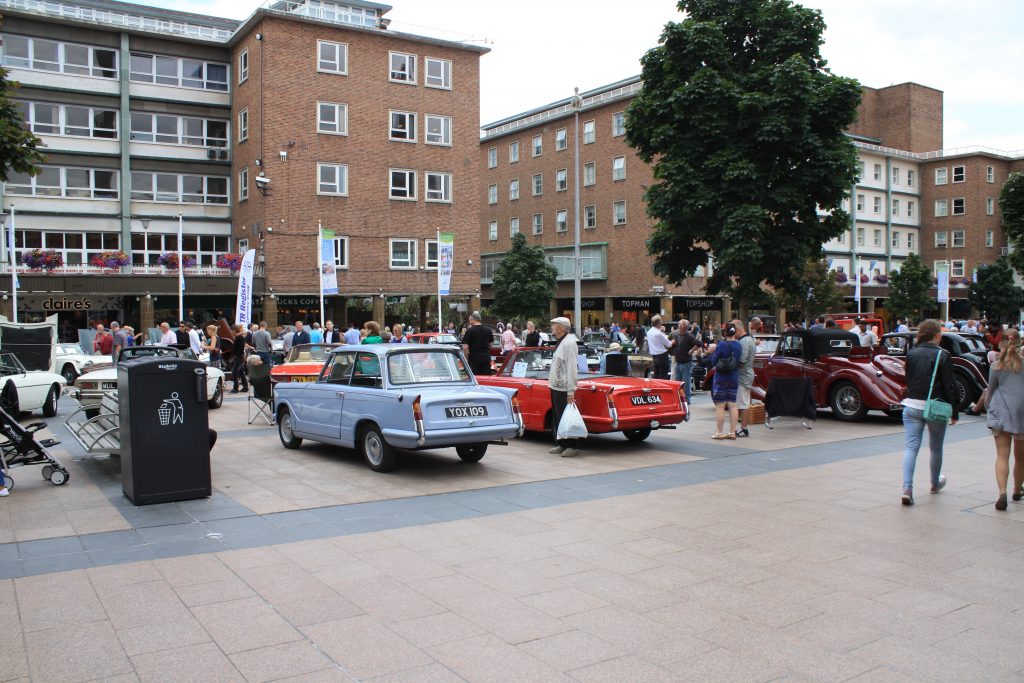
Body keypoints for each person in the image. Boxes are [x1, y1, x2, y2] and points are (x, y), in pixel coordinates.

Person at [900, 319, 958, 506]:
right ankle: (934, 483)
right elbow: (949, 385)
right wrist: (955, 410)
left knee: (910, 448)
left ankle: (907, 489)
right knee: (936, 447)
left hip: (911, 406)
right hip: (935, 408)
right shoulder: (943, 355)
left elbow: (909, 379)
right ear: (937, 335)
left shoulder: (912, 353)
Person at [983, 329, 1024, 510]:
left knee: (1002, 455)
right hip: (1021, 414)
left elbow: (990, 390)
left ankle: (1002, 493)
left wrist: (987, 407)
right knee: (1021, 458)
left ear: (1002, 343)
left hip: (1000, 412)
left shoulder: (996, 366)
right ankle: (1017, 489)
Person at [548, 316, 581, 457]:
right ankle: (562, 443)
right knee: (558, 417)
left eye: (554, 325)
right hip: (556, 386)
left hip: (564, 387)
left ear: (561, 328)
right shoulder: (561, 341)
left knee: (566, 416)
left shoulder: (569, 343)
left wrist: (571, 391)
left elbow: (572, 367)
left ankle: (571, 446)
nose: (551, 327)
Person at [708, 323, 742, 440]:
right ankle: (732, 432)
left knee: (720, 406)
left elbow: (713, 361)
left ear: (725, 333)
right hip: (733, 378)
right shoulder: (739, 345)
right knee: (733, 406)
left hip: (721, 379)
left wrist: (713, 350)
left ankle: (719, 433)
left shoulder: (722, 344)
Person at [734, 319, 757, 438]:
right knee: (743, 402)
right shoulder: (749, 339)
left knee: (743, 403)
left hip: (743, 376)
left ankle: (743, 428)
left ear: (738, 329)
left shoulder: (744, 341)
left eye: (733, 331)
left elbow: (742, 359)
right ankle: (741, 428)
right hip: (746, 374)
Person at [672, 319, 699, 403]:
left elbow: (699, 344)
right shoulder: (678, 335)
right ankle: (680, 398)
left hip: (686, 362)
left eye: (681, 325)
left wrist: (691, 351)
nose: (679, 326)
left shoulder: (689, 336)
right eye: (679, 325)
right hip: (678, 361)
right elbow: (675, 344)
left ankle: (687, 399)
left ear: (685, 327)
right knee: (678, 382)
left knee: (686, 382)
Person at [230, 323, 249, 394]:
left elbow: (240, 349)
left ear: (235, 330)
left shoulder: (240, 338)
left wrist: (235, 355)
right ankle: (245, 387)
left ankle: (236, 388)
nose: (231, 332)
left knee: (234, 372)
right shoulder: (239, 337)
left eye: (232, 330)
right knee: (241, 373)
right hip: (239, 357)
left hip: (239, 357)